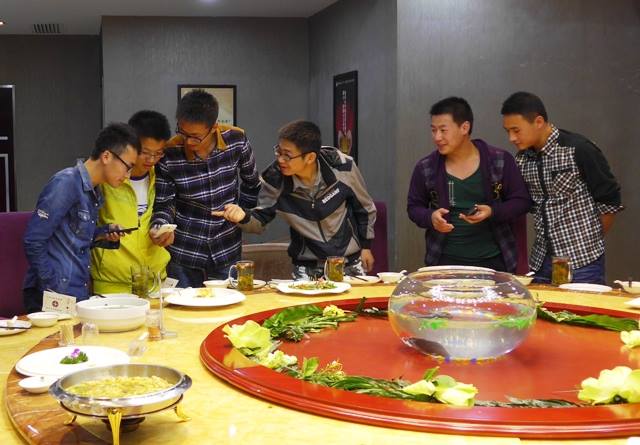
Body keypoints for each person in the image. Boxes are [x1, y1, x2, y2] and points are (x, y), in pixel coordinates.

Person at [212, 120, 376, 280]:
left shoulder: (343, 167)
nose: (280, 160)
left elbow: (364, 208)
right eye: (279, 151)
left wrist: (366, 247)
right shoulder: (275, 180)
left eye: (287, 155)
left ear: (310, 157)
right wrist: (243, 217)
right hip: (307, 266)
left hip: (348, 261)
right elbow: (260, 221)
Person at [501, 91, 623, 284]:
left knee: (579, 305)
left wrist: (590, 240)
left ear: (538, 122)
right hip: (543, 260)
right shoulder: (522, 160)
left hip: (582, 260)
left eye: (516, 130)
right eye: (507, 131)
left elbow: (610, 201)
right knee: (543, 304)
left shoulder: (578, 149)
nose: (512, 138)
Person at [22, 123, 141, 312]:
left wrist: (103, 233)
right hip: (53, 296)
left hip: (77, 292)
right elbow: (33, 240)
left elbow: (73, 238)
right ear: (106, 156)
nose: (128, 175)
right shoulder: (66, 183)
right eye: (128, 167)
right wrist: (52, 285)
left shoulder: (95, 190)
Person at [150, 89, 260, 287]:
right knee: (182, 304)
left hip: (226, 245)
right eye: (182, 132)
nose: (187, 141)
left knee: (228, 304)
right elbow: (165, 202)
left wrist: (243, 213)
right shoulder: (170, 153)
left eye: (195, 136)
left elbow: (252, 183)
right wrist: (160, 225)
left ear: (214, 127)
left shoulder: (236, 140)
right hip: (185, 250)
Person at [407, 97, 531, 272]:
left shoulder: (499, 160)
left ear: (464, 127)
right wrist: (431, 217)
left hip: (494, 261)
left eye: (443, 130)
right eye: (433, 130)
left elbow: (522, 201)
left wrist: (492, 211)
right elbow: (414, 207)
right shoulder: (426, 167)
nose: (437, 137)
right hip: (444, 260)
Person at [90, 111, 172, 293]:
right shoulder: (107, 177)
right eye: (145, 153)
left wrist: (165, 233)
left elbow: (166, 210)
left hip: (155, 280)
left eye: (158, 153)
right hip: (112, 281)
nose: (151, 160)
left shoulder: (162, 177)